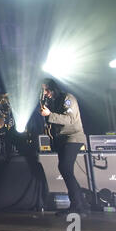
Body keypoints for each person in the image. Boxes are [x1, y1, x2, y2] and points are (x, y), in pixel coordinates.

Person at [39, 78, 89, 216]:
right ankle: (80, 204)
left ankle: (78, 206)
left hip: (73, 137)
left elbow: (70, 119)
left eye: (47, 89)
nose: (46, 93)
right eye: (44, 90)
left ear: (53, 88)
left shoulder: (68, 98)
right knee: (65, 169)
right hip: (63, 139)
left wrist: (50, 115)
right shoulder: (53, 101)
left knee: (65, 168)